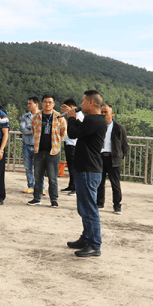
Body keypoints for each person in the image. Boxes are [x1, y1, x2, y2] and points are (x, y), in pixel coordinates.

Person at [62, 90, 108, 257]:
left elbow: (73, 133)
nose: (81, 104)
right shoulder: (97, 120)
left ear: (90, 102)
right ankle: (86, 238)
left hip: (89, 170)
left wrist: (71, 117)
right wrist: (74, 117)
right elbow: (80, 130)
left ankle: (94, 244)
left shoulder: (92, 119)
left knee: (89, 209)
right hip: (87, 169)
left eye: (83, 101)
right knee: (84, 208)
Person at [27, 93, 67, 208]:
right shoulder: (36, 117)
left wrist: (56, 141)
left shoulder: (59, 117)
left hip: (53, 152)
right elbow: (33, 131)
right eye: (45, 102)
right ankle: (37, 198)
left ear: (54, 104)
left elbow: (64, 133)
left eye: (50, 102)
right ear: (42, 103)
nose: (47, 104)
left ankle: (54, 200)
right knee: (38, 176)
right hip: (39, 151)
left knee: (53, 178)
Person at [97, 105, 128, 214]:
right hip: (100, 157)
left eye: (106, 112)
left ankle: (117, 205)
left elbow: (124, 145)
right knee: (100, 182)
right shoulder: (98, 126)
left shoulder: (119, 127)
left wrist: (120, 157)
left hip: (113, 158)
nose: (103, 114)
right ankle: (99, 203)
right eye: (102, 112)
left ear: (112, 113)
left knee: (115, 183)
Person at [61, 98, 84, 196]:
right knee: (70, 166)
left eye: (65, 108)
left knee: (74, 167)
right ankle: (71, 185)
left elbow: (78, 129)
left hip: (74, 144)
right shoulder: (72, 115)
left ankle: (75, 187)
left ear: (70, 107)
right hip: (68, 143)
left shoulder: (78, 115)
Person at [20, 96, 40, 194]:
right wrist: (34, 128)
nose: (28, 105)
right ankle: (31, 186)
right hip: (26, 145)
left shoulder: (41, 115)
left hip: (38, 146)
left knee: (39, 168)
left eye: (30, 103)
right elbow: (22, 129)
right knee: (28, 168)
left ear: (36, 104)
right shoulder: (25, 116)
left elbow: (40, 130)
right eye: (28, 103)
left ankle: (40, 187)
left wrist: (29, 127)